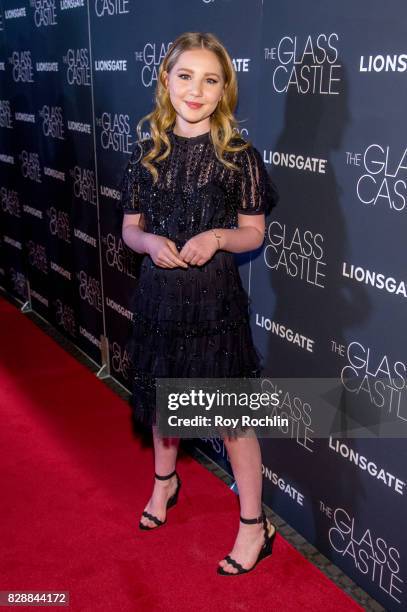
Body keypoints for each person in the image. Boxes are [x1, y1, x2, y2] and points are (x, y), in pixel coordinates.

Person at [119, 31, 278, 576]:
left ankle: (254, 526)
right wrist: (148, 243)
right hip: (160, 298)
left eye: (210, 80)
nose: (196, 89)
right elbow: (129, 231)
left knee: (231, 417)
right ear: (166, 80)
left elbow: (253, 233)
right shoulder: (148, 154)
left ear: (224, 90)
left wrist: (216, 237)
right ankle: (165, 483)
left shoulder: (239, 157)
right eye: (185, 76)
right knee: (166, 403)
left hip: (213, 303)